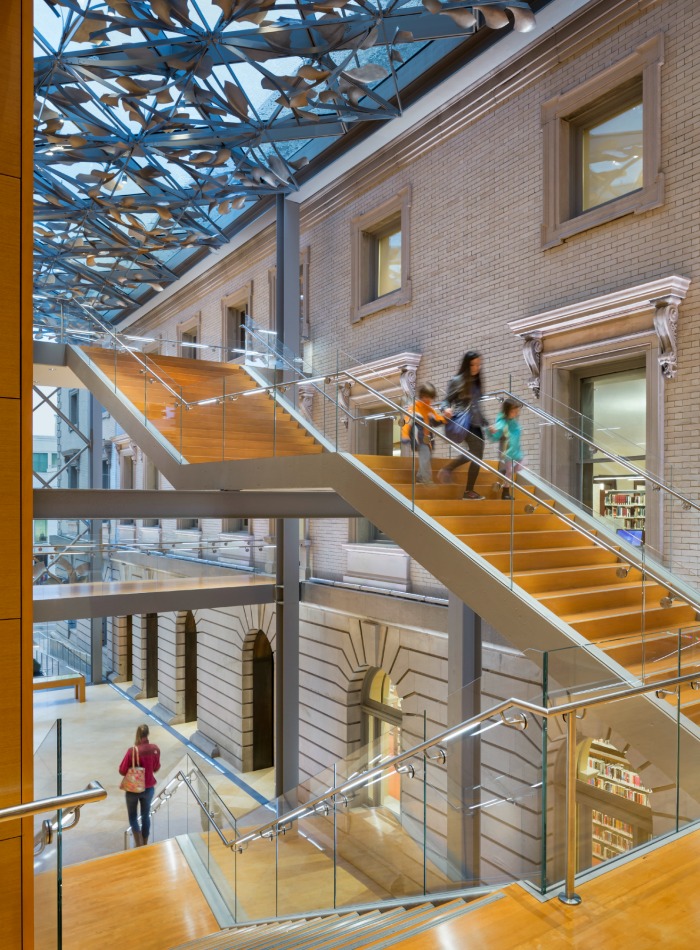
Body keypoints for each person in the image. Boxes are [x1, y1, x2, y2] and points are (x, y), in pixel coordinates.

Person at [438, 351, 490, 499]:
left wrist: (486, 423)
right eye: (473, 364)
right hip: (463, 422)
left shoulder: (477, 382)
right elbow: (446, 400)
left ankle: (453, 474)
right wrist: (445, 409)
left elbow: (477, 406)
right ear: (466, 365)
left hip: (476, 423)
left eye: (479, 364)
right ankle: (467, 490)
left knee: (477, 456)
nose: (476, 367)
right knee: (476, 453)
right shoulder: (457, 380)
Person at [119, 723, 161, 847]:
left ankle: (138, 843)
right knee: (145, 816)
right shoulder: (155, 749)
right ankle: (145, 843)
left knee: (133, 817)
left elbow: (122, 770)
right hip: (148, 788)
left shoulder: (132, 751)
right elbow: (156, 768)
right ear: (148, 734)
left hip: (133, 789)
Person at [401, 383, 449, 486]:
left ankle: (419, 478)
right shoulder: (414, 408)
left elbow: (437, 420)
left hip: (429, 440)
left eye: (430, 398)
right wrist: (405, 436)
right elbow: (407, 423)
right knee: (425, 457)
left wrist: (446, 418)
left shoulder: (430, 410)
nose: (428, 400)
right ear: (422, 396)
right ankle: (426, 480)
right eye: (426, 397)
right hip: (419, 439)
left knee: (427, 458)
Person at [490, 397, 524, 500]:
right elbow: (495, 435)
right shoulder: (502, 422)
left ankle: (503, 471)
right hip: (506, 451)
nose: (516, 413)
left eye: (516, 411)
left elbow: (516, 436)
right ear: (507, 411)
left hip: (516, 451)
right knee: (510, 471)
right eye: (513, 411)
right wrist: (492, 431)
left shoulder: (513, 422)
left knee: (519, 467)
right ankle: (505, 492)